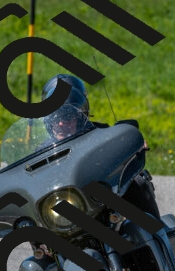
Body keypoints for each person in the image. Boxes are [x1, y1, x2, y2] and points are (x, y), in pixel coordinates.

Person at [39, 74, 161, 219]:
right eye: (55, 117)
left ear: (80, 116)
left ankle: (155, 229)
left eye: (67, 116)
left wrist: (134, 145)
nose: (60, 123)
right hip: (64, 208)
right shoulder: (41, 152)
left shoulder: (102, 135)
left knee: (139, 181)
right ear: (47, 120)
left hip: (103, 200)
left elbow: (123, 146)